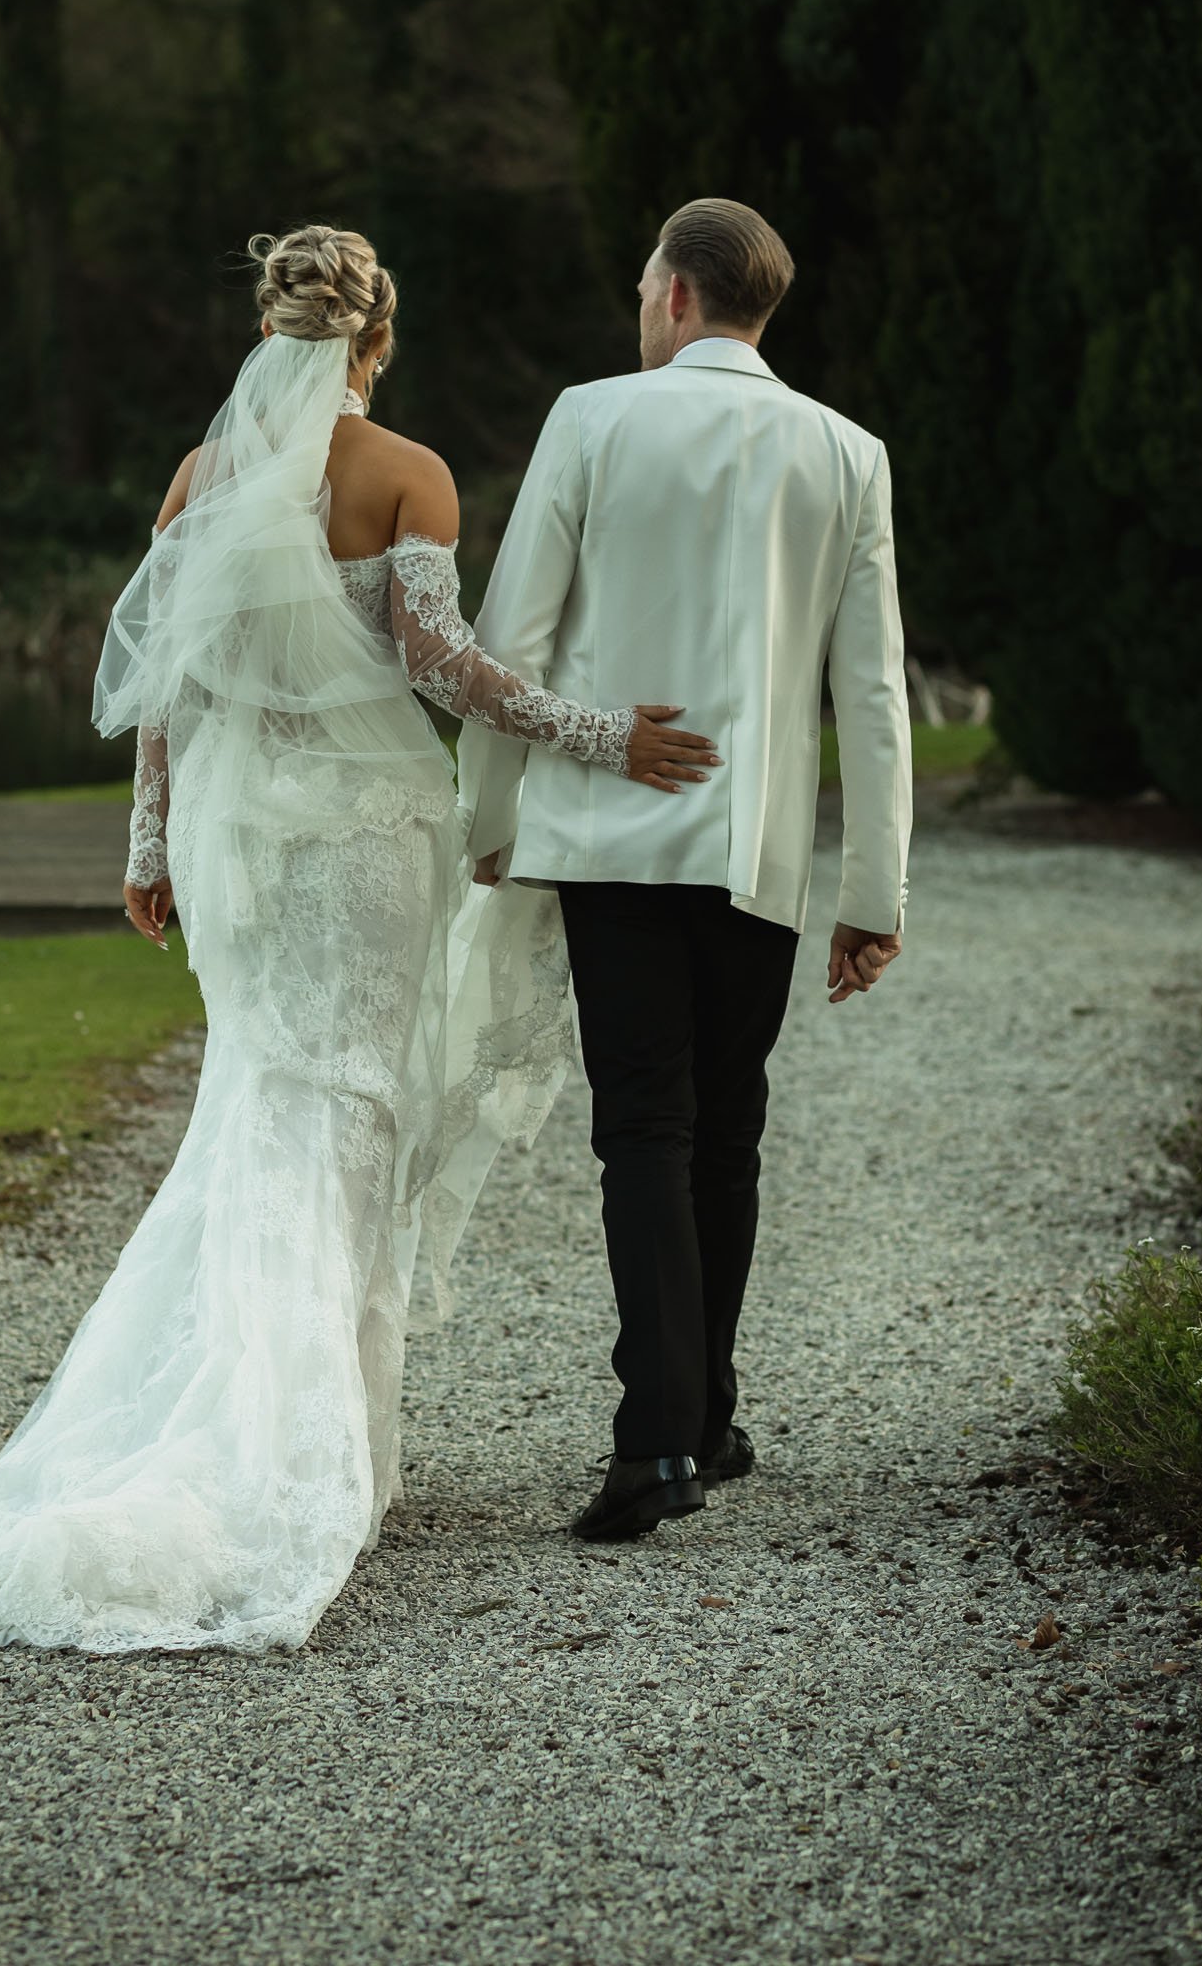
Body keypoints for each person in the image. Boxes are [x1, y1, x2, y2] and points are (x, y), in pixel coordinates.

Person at [0, 224, 713, 1656]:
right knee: (345, 1116)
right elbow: (443, 669)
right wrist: (602, 734)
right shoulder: (405, 474)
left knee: (260, 1105)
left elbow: (168, 686)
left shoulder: (205, 475)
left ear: (270, 325)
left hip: (235, 844)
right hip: (365, 838)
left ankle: (302, 1428)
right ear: (379, 338)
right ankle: (288, 1451)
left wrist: (144, 847)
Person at [458, 197, 914, 1543]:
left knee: (643, 1129)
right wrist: (870, 898)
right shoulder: (846, 454)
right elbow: (872, 696)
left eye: (641, 280)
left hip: (609, 835)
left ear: (671, 296)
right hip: (754, 848)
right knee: (727, 1128)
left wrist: (489, 813)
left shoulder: (592, 418)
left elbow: (511, 630)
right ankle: (699, 1417)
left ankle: (657, 1442)